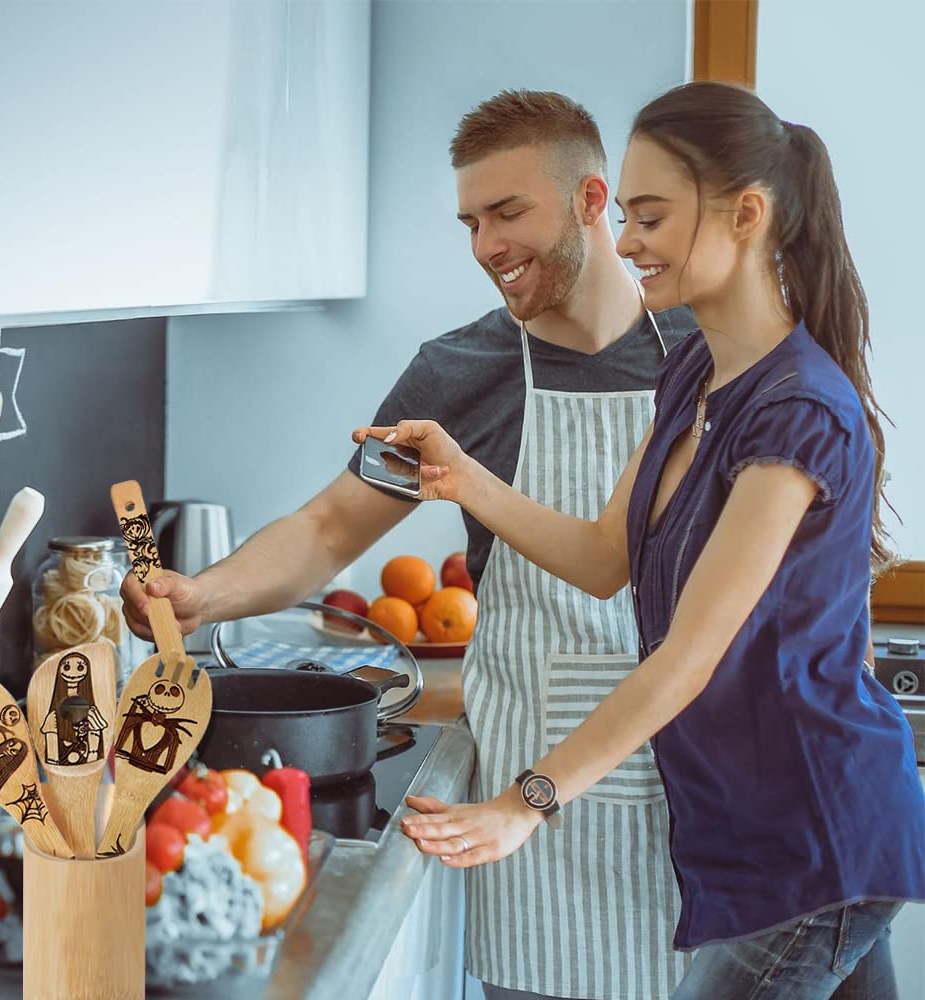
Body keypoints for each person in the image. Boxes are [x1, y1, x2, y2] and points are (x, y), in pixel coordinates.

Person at [122, 90, 698, 999]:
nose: (485, 247)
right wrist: (208, 594)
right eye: (471, 221)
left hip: (692, 798)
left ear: (594, 200)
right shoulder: (457, 372)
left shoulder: (705, 355)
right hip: (525, 811)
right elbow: (329, 527)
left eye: (509, 213)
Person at [356, 81, 925, 999]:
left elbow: (686, 659)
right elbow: (603, 557)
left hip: (814, 833)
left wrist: (522, 803)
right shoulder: (699, 368)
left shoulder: (797, 414)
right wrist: (465, 480)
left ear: (747, 214)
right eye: (624, 214)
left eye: (651, 217)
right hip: (760, 831)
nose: (624, 242)